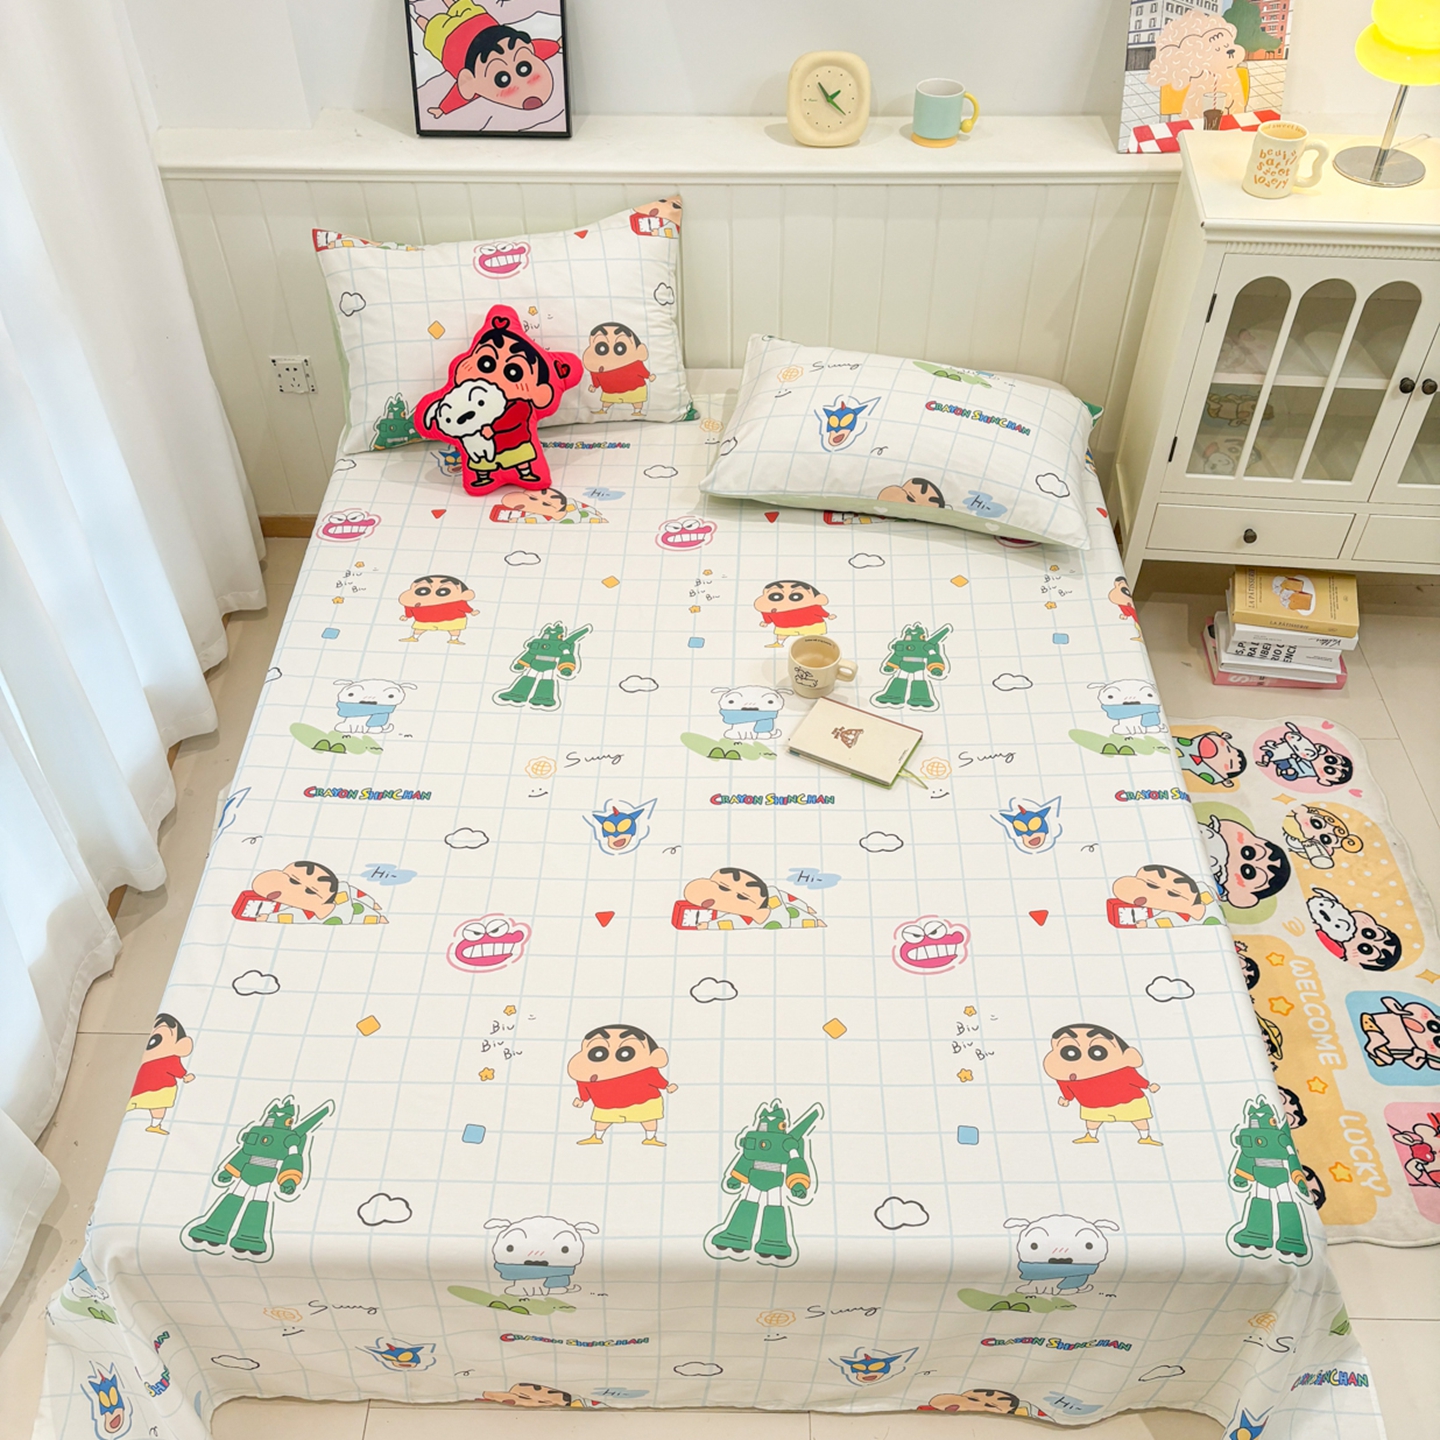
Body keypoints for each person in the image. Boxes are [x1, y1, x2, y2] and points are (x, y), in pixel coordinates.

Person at [416, 2, 560, 117]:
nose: (520, 85)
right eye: (524, 68)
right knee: (458, 6)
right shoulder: (480, 80)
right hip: (475, 20)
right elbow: (539, 48)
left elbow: (459, 94)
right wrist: (556, 45)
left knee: (431, 28)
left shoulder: (478, 81)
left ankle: (415, 15)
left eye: (524, 68)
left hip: (447, 41)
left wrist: (443, 109)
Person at [1043, 1023, 1162, 1145]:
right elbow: (1067, 1089)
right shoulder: (1067, 1078)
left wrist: (1147, 1086)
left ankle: (1145, 1137)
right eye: (1069, 1052)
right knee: (1092, 1121)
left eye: (1098, 1051)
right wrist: (1067, 1099)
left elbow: (1134, 1078)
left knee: (1139, 1119)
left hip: (1129, 1101)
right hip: (1092, 1104)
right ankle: (1091, 1135)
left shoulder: (1120, 1070)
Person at [568, 1024, 676, 1146]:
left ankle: (650, 1138)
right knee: (602, 1121)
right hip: (606, 1105)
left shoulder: (644, 1070)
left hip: (644, 1102)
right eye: (598, 1052)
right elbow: (585, 1088)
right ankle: (597, 1137)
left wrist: (666, 1086)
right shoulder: (587, 1076)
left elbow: (655, 1079)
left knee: (648, 1119)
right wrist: (582, 1099)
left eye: (626, 1052)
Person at [126, 1015, 194, 1135]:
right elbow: (176, 1069)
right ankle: (154, 1125)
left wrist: (184, 1075)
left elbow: (176, 1069)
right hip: (160, 1088)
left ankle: (153, 1125)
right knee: (157, 1106)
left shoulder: (159, 1060)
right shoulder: (167, 1059)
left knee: (151, 1105)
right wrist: (185, 1076)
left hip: (152, 1088)